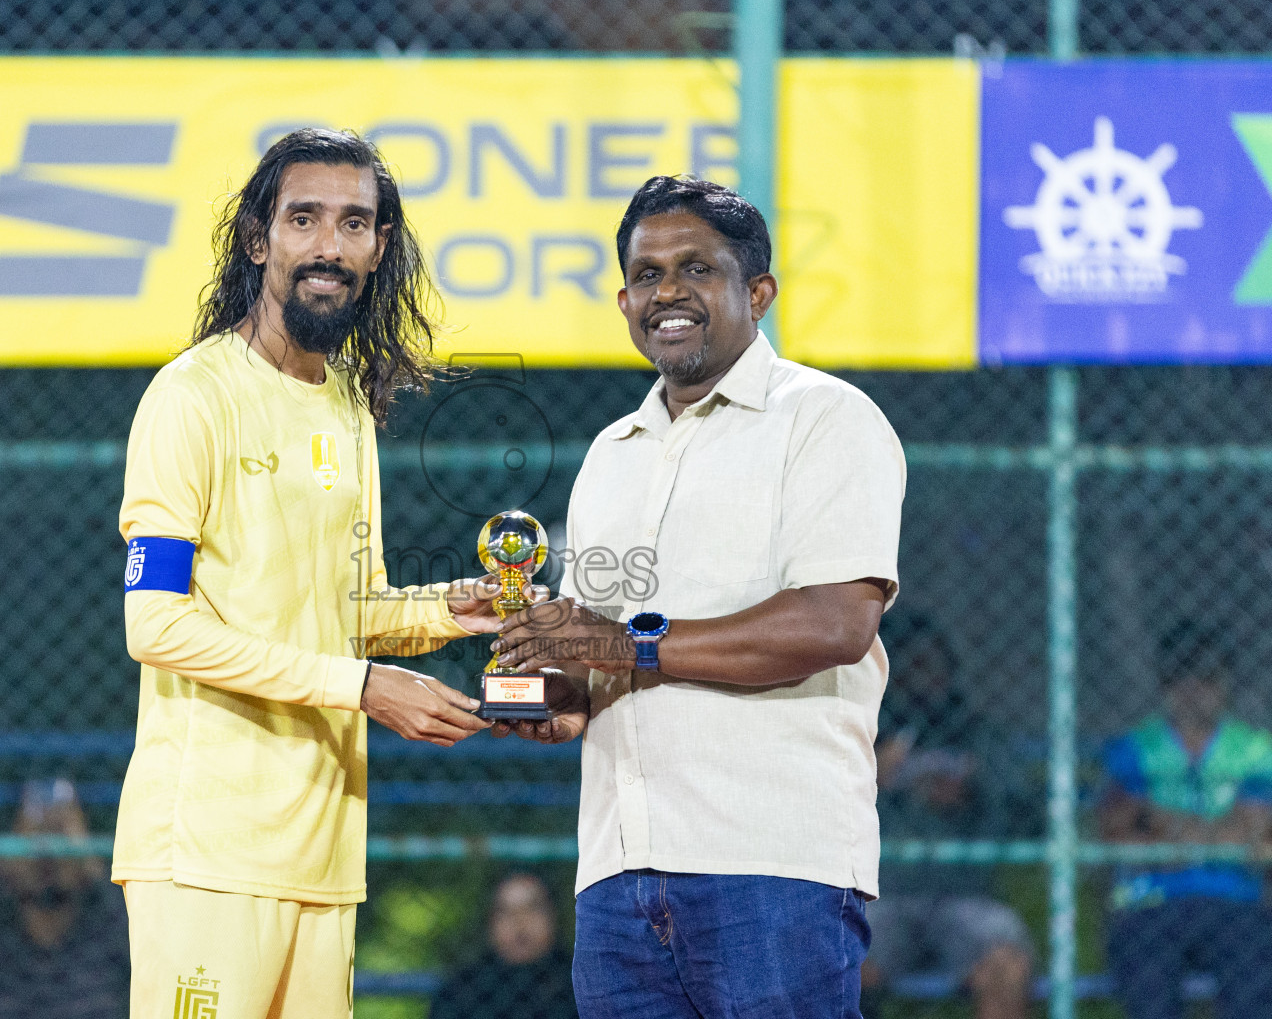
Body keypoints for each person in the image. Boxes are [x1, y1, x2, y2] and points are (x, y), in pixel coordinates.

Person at [490, 175, 905, 1019]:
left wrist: (620, 644)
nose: (667, 292)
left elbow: (835, 622)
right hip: (616, 879)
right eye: (646, 275)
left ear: (758, 292)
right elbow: (596, 656)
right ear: (623, 300)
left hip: (774, 868)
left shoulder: (825, 418)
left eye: (695, 269)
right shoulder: (613, 453)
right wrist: (545, 692)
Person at [116, 127, 501, 1019]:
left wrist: (453, 610)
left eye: (356, 224)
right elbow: (157, 627)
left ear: (378, 249)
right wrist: (362, 686)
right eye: (305, 218)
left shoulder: (345, 402)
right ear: (260, 239)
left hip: (325, 855)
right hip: (209, 851)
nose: (331, 245)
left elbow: (340, 610)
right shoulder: (191, 397)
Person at [861, 613, 1032, 1019]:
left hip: (964, 896)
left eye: (932, 664)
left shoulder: (979, 735)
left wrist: (972, 795)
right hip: (882, 894)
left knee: (1005, 965)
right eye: (912, 666)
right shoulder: (863, 730)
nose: (924, 678)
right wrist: (870, 779)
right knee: (840, 962)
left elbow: (1027, 816)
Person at [1099, 622, 1272, 1019]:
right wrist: (1217, 835)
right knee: (1149, 993)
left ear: (1226, 682)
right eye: (1182, 677)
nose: (1194, 690)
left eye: (1207, 677)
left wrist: (1158, 822)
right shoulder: (1134, 749)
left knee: (1255, 988)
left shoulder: (1254, 750)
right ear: (1165, 684)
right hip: (1152, 900)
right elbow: (1119, 838)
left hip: (1236, 901)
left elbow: (1253, 837)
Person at [0, 779, 128, 1019]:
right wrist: (11, 854)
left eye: (61, 848)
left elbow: (141, 948)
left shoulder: (101, 928)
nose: (48, 863)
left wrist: (83, 850)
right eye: (37, 850)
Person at [429, 873, 577, 1019]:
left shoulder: (578, 984)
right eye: (505, 911)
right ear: (490, 921)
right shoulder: (462, 991)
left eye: (533, 908)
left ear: (553, 916)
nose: (520, 922)